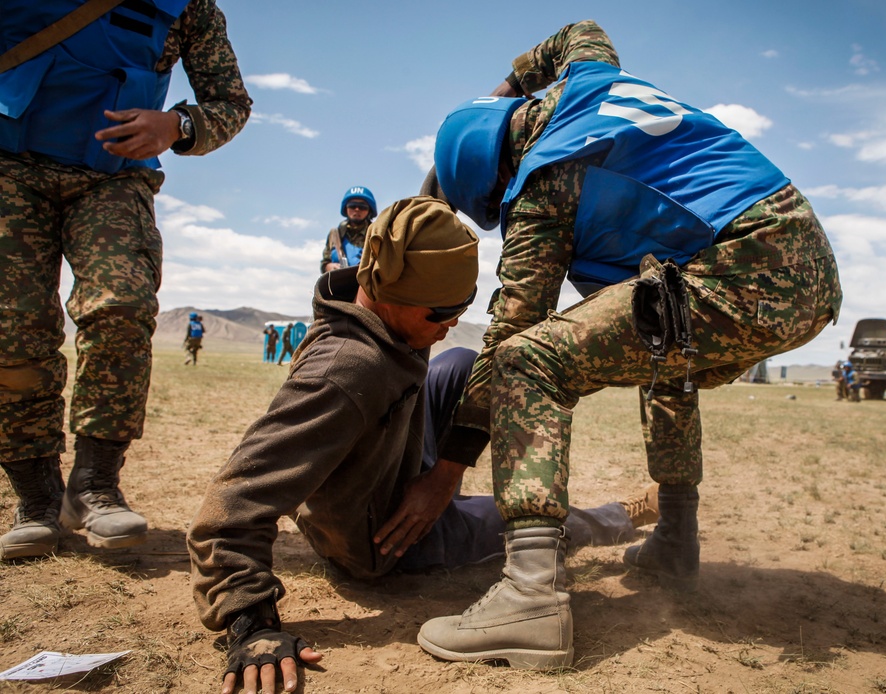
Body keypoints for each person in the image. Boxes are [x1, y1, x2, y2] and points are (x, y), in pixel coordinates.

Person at [417, 20, 843, 669]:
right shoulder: (590, 76)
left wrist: (447, 470)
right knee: (661, 349)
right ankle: (676, 537)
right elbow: (583, 30)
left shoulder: (543, 176)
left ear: (498, 173)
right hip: (796, 255)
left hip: (753, 265)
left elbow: (512, 329)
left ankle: (530, 595)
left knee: (527, 361)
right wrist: (507, 85)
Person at [187, 197, 658, 694]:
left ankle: (445, 488)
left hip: (394, 464)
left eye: (463, 305)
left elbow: (418, 225)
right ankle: (618, 517)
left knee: (458, 361)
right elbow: (229, 509)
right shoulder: (344, 372)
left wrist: (444, 474)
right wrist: (252, 623)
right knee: (534, 525)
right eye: (443, 311)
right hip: (386, 537)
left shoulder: (386, 298)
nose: (452, 319)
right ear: (395, 298)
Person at [0, 0, 252, 561]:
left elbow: (230, 102)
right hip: (8, 169)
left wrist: (177, 125)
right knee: (11, 329)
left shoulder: (190, 6)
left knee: (122, 307)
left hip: (111, 178)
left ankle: (93, 485)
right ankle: (35, 496)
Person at [320, 186, 377, 273]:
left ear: (369, 210)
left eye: (362, 207)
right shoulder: (335, 234)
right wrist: (329, 267)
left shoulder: (377, 234)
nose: (357, 210)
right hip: (339, 283)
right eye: (352, 206)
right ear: (346, 208)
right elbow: (325, 262)